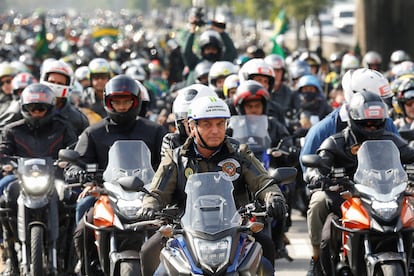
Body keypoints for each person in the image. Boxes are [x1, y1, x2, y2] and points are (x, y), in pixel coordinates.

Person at [139, 96, 287, 276]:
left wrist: (273, 196)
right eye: (207, 125)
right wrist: (149, 206)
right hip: (183, 231)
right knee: (149, 251)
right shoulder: (176, 158)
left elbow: (263, 181)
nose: (215, 130)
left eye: (220, 124)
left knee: (266, 248)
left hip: (235, 229)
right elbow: (156, 191)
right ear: (192, 128)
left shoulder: (239, 153)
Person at [300, 69, 399, 276]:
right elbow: (307, 162)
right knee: (318, 203)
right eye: (377, 100)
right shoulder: (326, 129)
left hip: (382, 190)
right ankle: (317, 259)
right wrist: (319, 178)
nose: (379, 109)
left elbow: (401, 153)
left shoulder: (387, 123)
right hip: (339, 189)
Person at [68, 74, 167, 275]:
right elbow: (77, 161)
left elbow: (169, 161)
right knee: (83, 223)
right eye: (116, 102)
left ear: (136, 102)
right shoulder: (93, 132)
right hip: (106, 194)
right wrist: (78, 173)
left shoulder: (154, 130)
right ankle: (87, 266)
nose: (121, 106)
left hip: (147, 194)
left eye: (126, 101)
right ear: (107, 102)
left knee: (175, 226)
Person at [0, 83, 78, 274]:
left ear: (50, 108)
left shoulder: (62, 128)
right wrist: (5, 163)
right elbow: (3, 150)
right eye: (31, 108)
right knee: (5, 196)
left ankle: (72, 255)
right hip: (21, 179)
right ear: (24, 108)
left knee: (72, 198)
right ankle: (8, 249)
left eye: (41, 108)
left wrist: (68, 161)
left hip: (56, 179)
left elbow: (74, 149)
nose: (36, 112)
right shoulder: (12, 130)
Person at [160, 84, 218, 158]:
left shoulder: (230, 146)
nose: (191, 126)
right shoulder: (173, 143)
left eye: (198, 121)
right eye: (186, 121)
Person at [40, 59, 89, 136]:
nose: (55, 86)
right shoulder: (27, 108)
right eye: (51, 82)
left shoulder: (78, 119)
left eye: (60, 83)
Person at [182, 18, 238, 85]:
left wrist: (222, 32)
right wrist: (192, 32)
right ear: (203, 50)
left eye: (213, 49)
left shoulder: (222, 63)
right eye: (208, 49)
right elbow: (186, 52)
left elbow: (231, 51)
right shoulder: (194, 63)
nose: (211, 51)